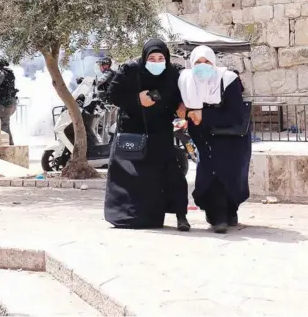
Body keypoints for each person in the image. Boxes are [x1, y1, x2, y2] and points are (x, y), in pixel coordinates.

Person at [104, 39, 190, 231]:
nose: (157, 61)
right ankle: (129, 217)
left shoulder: (172, 74)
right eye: (152, 58)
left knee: (170, 174)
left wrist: (181, 106)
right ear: (144, 58)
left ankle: (181, 215)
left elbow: (180, 96)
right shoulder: (130, 70)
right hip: (133, 131)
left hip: (161, 132)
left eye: (161, 58)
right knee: (132, 177)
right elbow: (112, 95)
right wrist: (137, 99)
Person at [177, 45, 251, 234]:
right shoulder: (186, 80)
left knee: (231, 175)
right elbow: (182, 109)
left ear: (214, 62)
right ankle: (217, 216)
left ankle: (229, 211)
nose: (203, 66)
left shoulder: (228, 79)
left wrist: (203, 113)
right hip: (204, 140)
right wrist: (186, 113)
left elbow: (235, 113)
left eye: (207, 62)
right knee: (210, 176)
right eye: (198, 62)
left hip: (231, 139)